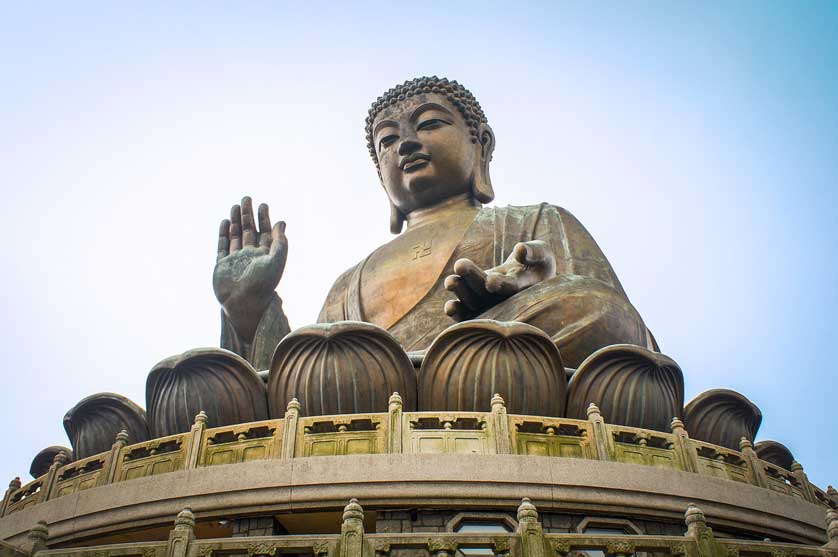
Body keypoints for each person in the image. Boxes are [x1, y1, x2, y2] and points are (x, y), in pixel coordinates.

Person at [212, 77, 654, 371]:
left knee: (596, 308)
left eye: (429, 124)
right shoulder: (349, 283)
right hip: (372, 396)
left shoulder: (534, 221)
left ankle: (453, 363)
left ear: (480, 144)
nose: (405, 143)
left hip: (494, 372)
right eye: (387, 140)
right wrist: (249, 310)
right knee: (317, 367)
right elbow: (295, 381)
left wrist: (531, 289)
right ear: (379, 174)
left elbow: (625, 332)